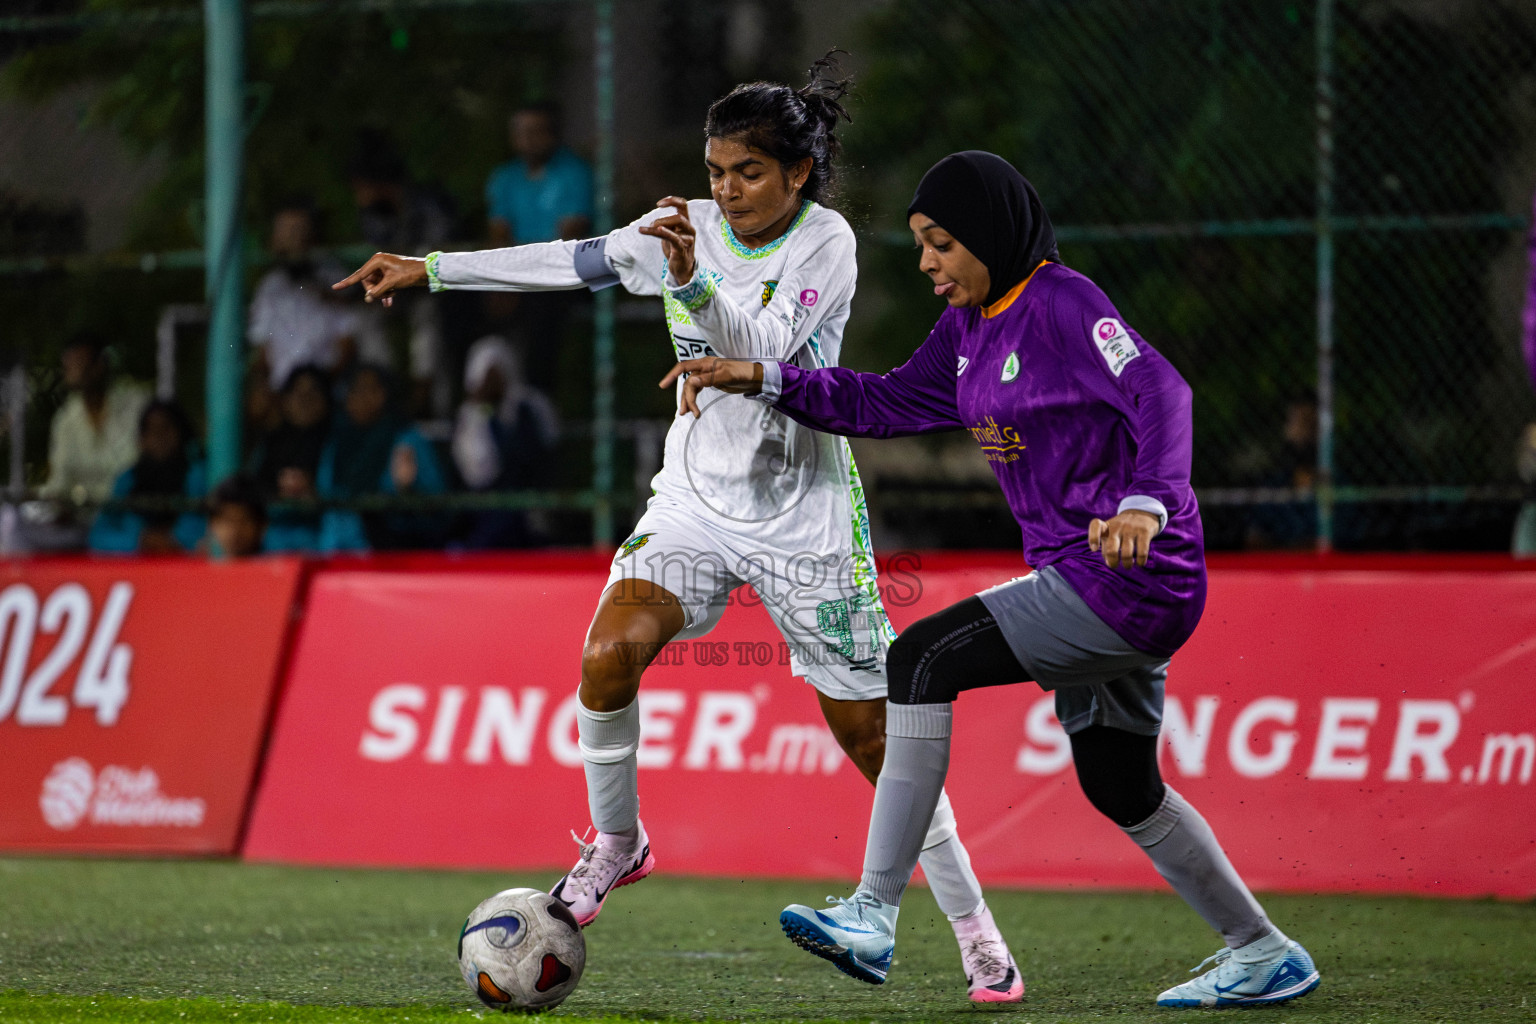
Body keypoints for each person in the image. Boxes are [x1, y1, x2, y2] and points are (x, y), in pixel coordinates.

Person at [334, 57, 1023, 1003]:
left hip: (803, 518)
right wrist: (434, 270)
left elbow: (769, 350)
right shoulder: (682, 229)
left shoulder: (828, 243)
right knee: (608, 655)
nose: (726, 190)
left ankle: (978, 935)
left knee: (872, 738)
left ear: (798, 175)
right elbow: (573, 261)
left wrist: (693, 287)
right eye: (714, 172)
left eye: (746, 172)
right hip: (695, 500)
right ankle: (619, 842)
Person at [666, 152, 1321, 1009]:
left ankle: (872, 911)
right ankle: (1264, 951)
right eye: (921, 246)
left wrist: (1148, 504)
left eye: (942, 244)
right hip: (1090, 578)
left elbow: (1163, 391)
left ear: (992, 236)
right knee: (1118, 783)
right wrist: (764, 377)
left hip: (1129, 575)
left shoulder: (1061, 302)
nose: (929, 263)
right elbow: (886, 402)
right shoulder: (970, 327)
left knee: (923, 660)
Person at [482, 101, 596, 395]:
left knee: (541, 308)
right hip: (518, 275)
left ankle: (536, 402)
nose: (528, 139)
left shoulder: (574, 173)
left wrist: (516, 281)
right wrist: (502, 281)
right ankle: (473, 399)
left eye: (536, 131)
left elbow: (569, 240)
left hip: (564, 274)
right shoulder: (504, 178)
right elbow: (499, 236)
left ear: (552, 135)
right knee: (460, 299)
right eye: (521, 132)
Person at [348, 132, 456, 417]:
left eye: (362, 187)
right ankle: (386, 391)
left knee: (428, 317)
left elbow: (440, 260)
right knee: (366, 316)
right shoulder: (372, 215)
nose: (359, 197)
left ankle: (429, 400)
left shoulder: (426, 206)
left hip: (434, 288)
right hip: (395, 290)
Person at [248, 199, 381, 390]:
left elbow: (348, 345)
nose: (291, 240)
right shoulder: (270, 286)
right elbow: (262, 351)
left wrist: (318, 388)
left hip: (329, 389)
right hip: (282, 394)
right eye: (285, 232)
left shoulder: (336, 278)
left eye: (297, 230)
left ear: (312, 234)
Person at [317, 363, 450, 552]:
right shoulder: (338, 443)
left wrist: (408, 490)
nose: (366, 398)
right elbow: (327, 494)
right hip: (336, 554)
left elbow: (439, 508)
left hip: (392, 553)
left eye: (374, 390)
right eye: (357, 390)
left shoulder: (408, 440)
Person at [451, 335, 558, 548]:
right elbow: (476, 475)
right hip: (484, 508)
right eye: (486, 375)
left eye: (496, 373)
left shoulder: (529, 407)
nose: (492, 382)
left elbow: (546, 453)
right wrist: (481, 418)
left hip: (530, 502)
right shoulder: (469, 417)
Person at [40, 333, 148, 507]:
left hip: (132, 513)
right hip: (80, 518)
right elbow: (60, 482)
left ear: (100, 365)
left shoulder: (137, 405)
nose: (73, 369)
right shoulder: (65, 420)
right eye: (69, 364)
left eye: (79, 361)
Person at [88, 399, 207, 554]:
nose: (159, 437)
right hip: (133, 569)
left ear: (181, 433)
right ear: (141, 439)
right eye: (151, 430)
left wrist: (172, 540)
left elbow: (202, 531)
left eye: (166, 428)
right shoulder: (128, 480)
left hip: (184, 565)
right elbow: (97, 537)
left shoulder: (197, 476)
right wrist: (140, 541)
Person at [248, 364, 332, 552]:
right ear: (284, 400)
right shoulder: (269, 444)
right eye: (296, 392)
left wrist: (313, 494)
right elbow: (251, 490)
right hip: (269, 548)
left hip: (323, 547)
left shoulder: (337, 444)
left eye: (314, 392)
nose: (305, 400)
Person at [205, 473, 267, 559]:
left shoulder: (276, 569)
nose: (234, 531)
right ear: (212, 524)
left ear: (261, 525)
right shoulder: (201, 569)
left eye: (243, 521)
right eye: (227, 521)